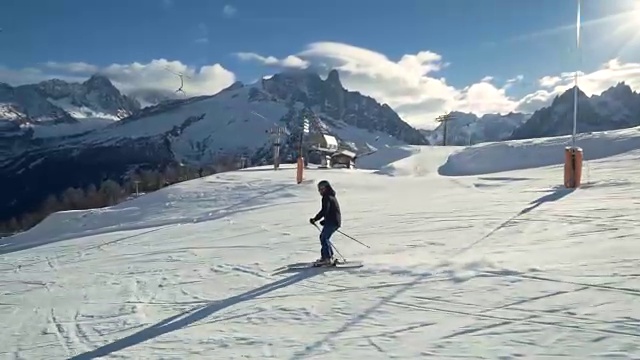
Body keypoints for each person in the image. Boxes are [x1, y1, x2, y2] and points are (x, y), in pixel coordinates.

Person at [309, 180, 341, 265]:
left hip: (333, 221)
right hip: (334, 221)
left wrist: (315, 219)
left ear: (326, 188)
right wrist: (325, 221)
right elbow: (330, 211)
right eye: (319, 189)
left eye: (322, 189)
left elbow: (324, 210)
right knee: (324, 237)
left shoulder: (327, 197)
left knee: (324, 238)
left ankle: (327, 258)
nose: (320, 191)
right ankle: (328, 256)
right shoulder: (330, 196)